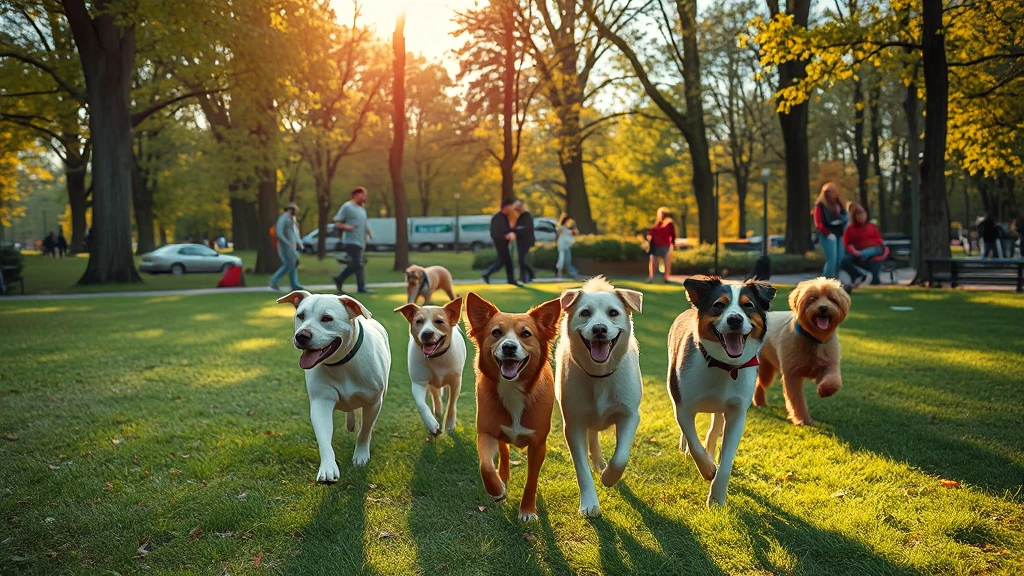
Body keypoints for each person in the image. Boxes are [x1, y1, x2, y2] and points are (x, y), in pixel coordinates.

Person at [333, 186, 373, 294]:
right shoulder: (347, 207)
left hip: (361, 241)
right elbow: (337, 223)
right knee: (357, 264)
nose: (365, 197)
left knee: (359, 266)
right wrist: (348, 227)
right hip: (351, 240)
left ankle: (361, 288)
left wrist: (369, 233)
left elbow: (364, 223)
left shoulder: (361, 209)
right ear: (356, 195)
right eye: (363, 194)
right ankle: (340, 278)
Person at [813, 182, 852, 279]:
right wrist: (827, 233)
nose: (830, 194)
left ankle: (836, 281)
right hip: (827, 234)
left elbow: (845, 218)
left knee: (839, 259)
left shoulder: (838, 204)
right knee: (832, 259)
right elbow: (818, 222)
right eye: (827, 192)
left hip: (839, 232)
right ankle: (826, 279)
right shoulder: (820, 205)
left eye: (832, 192)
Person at [843, 202, 885, 286]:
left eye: (863, 214)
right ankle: (858, 277)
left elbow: (879, 240)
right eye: (859, 215)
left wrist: (870, 244)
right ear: (855, 216)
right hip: (857, 251)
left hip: (873, 249)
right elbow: (847, 243)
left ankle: (870, 278)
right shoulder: (850, 229)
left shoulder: (871, 227)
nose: (861, 217)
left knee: (867, 254)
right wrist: (854, 251)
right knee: (844, 260)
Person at [481, 200, 521, 286]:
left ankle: (488, 274)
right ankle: (487, 274)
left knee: (504, 262)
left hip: (504, 242)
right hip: (501, 243)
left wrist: (510, 234)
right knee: (505, 261)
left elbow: (506, 229)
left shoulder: (504, 217)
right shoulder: (498, 217)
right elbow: (495, 231)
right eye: (509, 207)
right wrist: (504, 236)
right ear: (505, 207)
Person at [269, 203, 303, 291]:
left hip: (292, 246)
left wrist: (299, 243)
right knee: (289, 264)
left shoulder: (292, 219)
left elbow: (295, 233)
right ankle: (274, 281)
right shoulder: (284, 218)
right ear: (290, 210)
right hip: (286, 247)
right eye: (294, 210)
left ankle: (294, 284)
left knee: (292, 264)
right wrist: (287, 243)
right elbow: (279, 232)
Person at [646, 207, 676, 283]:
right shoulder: (658, 223)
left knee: (666, 261)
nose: (662, 215)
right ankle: (651, 277)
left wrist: (673, 243)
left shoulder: (669, 223)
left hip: (665, 245)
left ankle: (666, 278)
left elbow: (671, 233)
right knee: (653, 261)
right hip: (656, 245)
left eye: (663, 213)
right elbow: (651, 233)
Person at [512, 199, 536, 283]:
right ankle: (529, 274)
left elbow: (527, 227)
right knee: (521, 259)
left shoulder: (527, 215)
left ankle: (525, 276)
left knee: (521, 259)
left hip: (526, 240)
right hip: (520, 240)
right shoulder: (520, 216)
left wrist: (517, 229)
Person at [555, 213, 578, 279]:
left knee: (567, 259)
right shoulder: (561, 228)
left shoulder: (566, 228)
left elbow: (571, 233)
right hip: (562, 244)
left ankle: (566, 271)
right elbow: (558, 235)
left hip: (566, 245)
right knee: (561, 258)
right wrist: (556, 243)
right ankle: (559, 271)